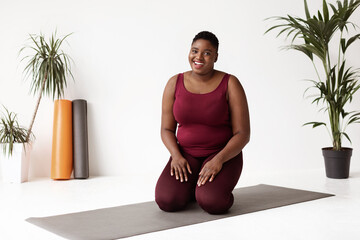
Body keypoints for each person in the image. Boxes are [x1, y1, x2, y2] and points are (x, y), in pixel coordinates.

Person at [155, 31, 250, 215]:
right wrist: (176, 155)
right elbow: (166, 129)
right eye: (194, 51)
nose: (199, 57)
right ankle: (194, 188)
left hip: (223, 156)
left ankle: (208, 190)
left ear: (216, 56)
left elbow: (243, 134)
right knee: (167, 201)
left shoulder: (231, 83)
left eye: (207, 53)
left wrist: (218, 160)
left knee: (213, 202)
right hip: (185, 156)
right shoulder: (174, 83)